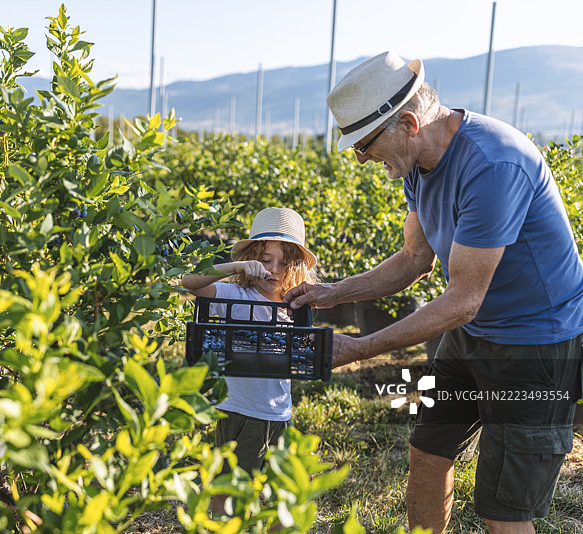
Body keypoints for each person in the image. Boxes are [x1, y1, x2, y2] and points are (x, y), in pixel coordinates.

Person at [284, 51, 583, 534]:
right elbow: (414, 261)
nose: (361, 159)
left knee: (504, 511)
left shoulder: (492, 165)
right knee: (427, 454)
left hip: (535, 344)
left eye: (365, 145)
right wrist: (332, 294)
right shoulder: (417, 165)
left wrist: (360, 348)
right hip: (472, 333)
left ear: (407, 122)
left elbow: (464, 298)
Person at [181, 206, 318, 517]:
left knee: (291, 496)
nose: (274, 270)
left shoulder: (294, 306)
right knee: (230, 491)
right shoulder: (235, 295)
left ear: (295, 268)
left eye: (284, 263)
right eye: (265, 260)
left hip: (279, 414)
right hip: (238, 411)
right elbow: (188, 282)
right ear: (252, 260)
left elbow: (304, 350)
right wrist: (235, 267)